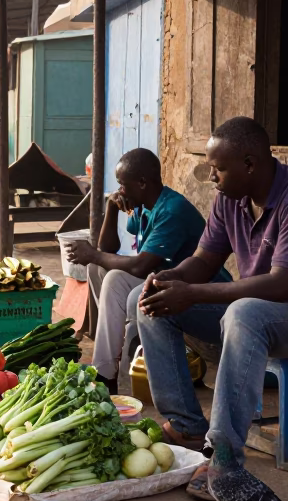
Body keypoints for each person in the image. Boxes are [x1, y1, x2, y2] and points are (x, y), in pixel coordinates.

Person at [136, 116, 288, 499]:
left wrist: (192, 294)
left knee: (243, 312)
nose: (212, 178)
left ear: (250, 163)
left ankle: (224, 458)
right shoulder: (230, 199)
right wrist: (169, 279)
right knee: (146, 302)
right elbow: (204, 260)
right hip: (265, 311)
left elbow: (280, 285)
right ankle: (186, 424)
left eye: (218, 169)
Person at [65, 148, 223, 394]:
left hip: (198, 293)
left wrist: (93, 254)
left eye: (122, 185)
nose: (120, 191)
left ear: (142, 183)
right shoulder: (141, 205)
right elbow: (107, 249)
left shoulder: (171, 210)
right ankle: (105, 372)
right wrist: (112, 208)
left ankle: (128, 367)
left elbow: (141, 265)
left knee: (126, 289)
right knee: (103, 270)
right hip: (161, 280)